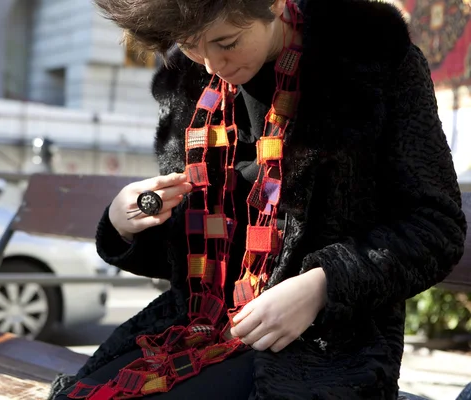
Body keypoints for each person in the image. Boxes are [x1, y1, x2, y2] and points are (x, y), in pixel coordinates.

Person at [48, 0, 468, 398]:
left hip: (326, 345)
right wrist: (127, 222)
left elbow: (436, 227)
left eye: (227, 42)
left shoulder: (369, 59)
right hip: (197, 322)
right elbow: (188, 261)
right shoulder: (188, 85)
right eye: (192, 45)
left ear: (275, 4)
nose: (214, 64)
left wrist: (323, 285)